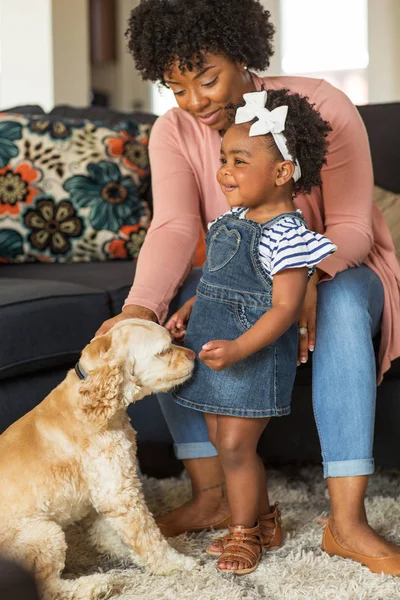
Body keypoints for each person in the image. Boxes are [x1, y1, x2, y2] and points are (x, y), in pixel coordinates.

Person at [96, 0, 400, 574]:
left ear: (242, 54)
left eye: (206, 79)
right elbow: (176, 227)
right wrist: (139, 309)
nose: (194, 102)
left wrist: (311, 274)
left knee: (338, 301)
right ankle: (211, 494)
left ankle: (348, 521)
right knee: (164, 311)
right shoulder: (173, 130)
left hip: (340, 266)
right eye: (175, 87)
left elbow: (353, 227)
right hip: (237, 280)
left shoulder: (319, 105)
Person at [163, 88, 336, 574]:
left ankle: (244, 536)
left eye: (239, 160)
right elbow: (218, 280)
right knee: (225, 443)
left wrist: (240, 347)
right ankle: (264, 520)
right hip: (215, 346)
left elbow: (284, 309)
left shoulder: (287, 234)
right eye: (222, 159)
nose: (224, 171)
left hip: (250, 356)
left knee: (237, 447)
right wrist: (189, 308)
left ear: (282, 172)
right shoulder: (230, 219)